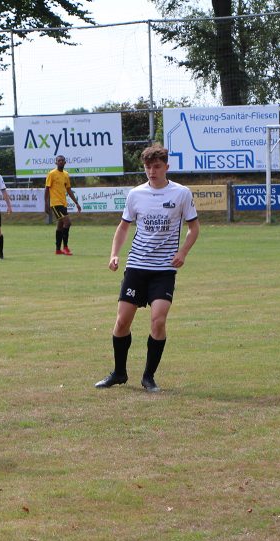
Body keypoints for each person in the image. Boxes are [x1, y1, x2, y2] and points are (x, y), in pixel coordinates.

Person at [94, 144, 199, 393]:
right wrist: (114, 254)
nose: (151, 171)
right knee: (121, 323)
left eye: (156, 166)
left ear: (166, 167)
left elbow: (194, 228)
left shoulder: (181, 193)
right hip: (137, 267)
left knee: (158, 321)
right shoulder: (135, 194)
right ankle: (119, 373)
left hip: (163, 270)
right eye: (147, 167)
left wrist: (182, 252)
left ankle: (148, 377)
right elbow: (123, 227)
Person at [45, 155, 81, 255]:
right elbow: (47, 189)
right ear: (56, 163)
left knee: (60, 225)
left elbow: (68, 189)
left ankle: (57, 249)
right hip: (55, 203)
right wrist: (46, 204)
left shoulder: (66, 174)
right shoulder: (51, 174)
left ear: (65, 162)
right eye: (59, 160)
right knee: (67, 222)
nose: (60, 162)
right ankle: (65, 247)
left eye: (62, 160)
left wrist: (76, 203)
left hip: (63, 203)